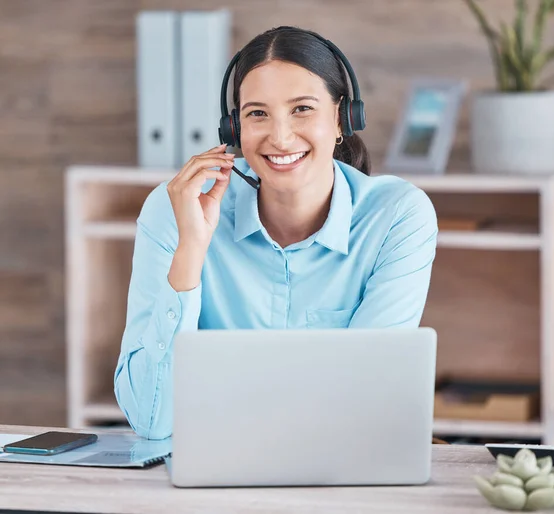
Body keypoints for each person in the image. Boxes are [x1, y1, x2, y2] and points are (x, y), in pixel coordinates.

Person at [114, 26, 438, 440]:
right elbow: (151, 419)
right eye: (257, 114)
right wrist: (191, 250)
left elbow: (361, 404)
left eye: (302, 109)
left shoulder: (396, 216)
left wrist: (223, 401)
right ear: (234, 130)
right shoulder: (176, 209)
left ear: (342, 119)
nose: (280, 137)